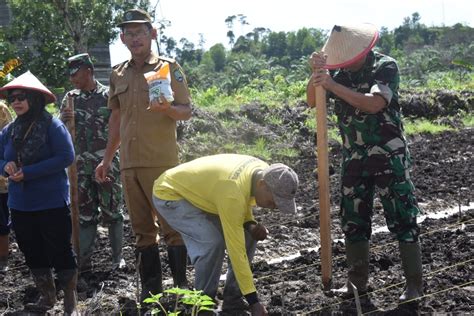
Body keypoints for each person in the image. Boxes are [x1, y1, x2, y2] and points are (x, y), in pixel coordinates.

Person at [307, 24, 423, 302]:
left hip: (388, 156)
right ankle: (356, 284)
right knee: (354, 220)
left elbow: (374, 104)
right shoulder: (336, 73)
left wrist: (333, 85)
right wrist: (316, 76)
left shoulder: (384, 65)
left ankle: (414, 286)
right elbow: (313, 101)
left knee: (403, 217)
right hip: (354, 157)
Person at [95, 8, 192, 300]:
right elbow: (116, 121)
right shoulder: (118, 73)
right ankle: (151, 294)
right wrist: (107, 158)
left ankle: (180, 290)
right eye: (129, 33)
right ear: (122, 38)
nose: (135, 38)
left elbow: (186, 112)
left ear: (153, 34)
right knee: (141, 230)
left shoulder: (168, 67)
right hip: (129, 165)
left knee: (171, 227)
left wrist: (168, 109)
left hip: (161, 162)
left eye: (140, 32)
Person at [153, 154, 300, 316]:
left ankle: (233, 299)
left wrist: (250, 224)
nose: (273, 207)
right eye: (273, 202)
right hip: (171, 193)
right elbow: (236, 250)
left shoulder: (263, 171)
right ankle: (202, 305)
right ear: (262, 184)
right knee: (212, 243)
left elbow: (239, 202)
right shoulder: (232, 191)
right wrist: (254, 301)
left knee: (249, 234)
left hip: (206, 194)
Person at [0, 71, 77, 314]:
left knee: (60, 249)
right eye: (13, 98)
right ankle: (47, 297)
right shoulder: (10, 130)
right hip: (21, 203)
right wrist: (6, 165)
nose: (16, 102)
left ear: (35, 99)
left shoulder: (52, 125)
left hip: (51, 200)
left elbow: (66, 156)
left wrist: (29, 172)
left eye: (22, 97)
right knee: (31, 248)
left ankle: (70, 301)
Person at [60, 53, 125, 272]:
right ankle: (84, 260)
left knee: (113, 211)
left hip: (106, 163)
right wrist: (64, 120)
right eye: (70, 75)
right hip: (79, 166)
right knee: (85, 213)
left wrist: (108, 159)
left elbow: (119, 129)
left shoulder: (109, 95)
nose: (72, 79)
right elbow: (64, 133)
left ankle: (118, 258)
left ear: (88, 70)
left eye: (75, 74)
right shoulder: (70, 98)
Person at [0, 100, 12, 274]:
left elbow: (10, 139)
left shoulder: (1, 109)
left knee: (1, 221)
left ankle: (3, 259)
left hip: (0, 182)